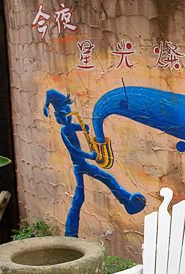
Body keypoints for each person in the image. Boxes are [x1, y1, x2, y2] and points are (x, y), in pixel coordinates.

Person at [44, 90, 146, 237]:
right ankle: (71, 232)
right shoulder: (64, 131)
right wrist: (91, 156)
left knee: (106, 180)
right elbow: (73, 150)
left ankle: (127, 203)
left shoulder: (71, 127)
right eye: (62, 114)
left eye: (67, 112)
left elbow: (83, 127)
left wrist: (84, 127)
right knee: (80, 197)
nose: (66, 116)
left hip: (84, 164)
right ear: (58, 117)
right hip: (80, 166)